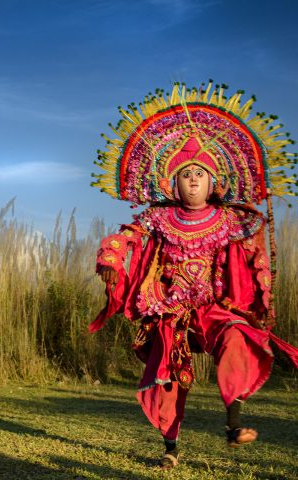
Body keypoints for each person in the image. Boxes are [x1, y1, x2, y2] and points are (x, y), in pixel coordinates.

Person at [90, 82, 298, 468]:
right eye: (186, 175)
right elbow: (124, 238)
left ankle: (234, 424)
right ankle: (170, 449)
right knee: (167, 372)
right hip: (168, 308)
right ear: (173, 182)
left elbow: (250, 258)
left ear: (213, 181)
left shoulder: (228, 220)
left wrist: (259, 284)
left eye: (200, 175)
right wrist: (110, 261)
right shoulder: (158, 217)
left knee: (238, 336)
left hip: (212, 306)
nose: (193, 181)